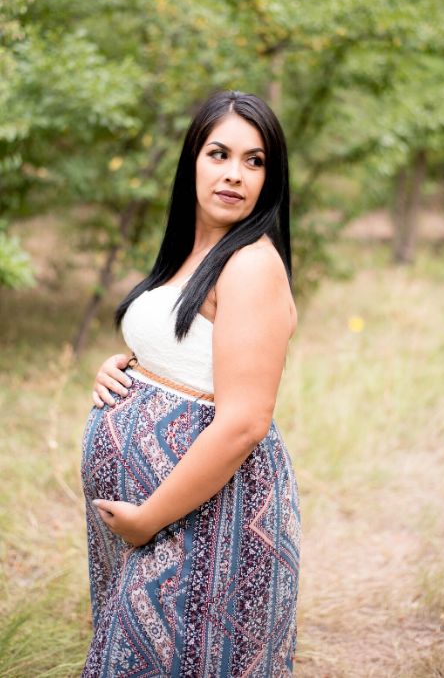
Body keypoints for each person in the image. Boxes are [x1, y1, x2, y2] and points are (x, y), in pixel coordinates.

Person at [80, 90, 301, 677]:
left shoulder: (251, 262)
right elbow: (190, 352)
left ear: (270, 178)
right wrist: (126, 367)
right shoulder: (192, 252)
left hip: (207, 519)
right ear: (191, 162)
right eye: (219, 154)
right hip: (163, 516)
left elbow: (245, 421)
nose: (235, 174)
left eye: (255, 162)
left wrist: (149, 518)